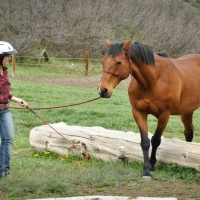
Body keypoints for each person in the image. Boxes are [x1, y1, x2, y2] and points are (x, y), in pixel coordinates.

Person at [0, 41, 28, 178]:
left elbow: (4, 93)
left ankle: (4, 173)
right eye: (8, 56)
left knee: (8, 139)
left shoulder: (4, 71)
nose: (10, 58)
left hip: (4, 110)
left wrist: (17, 100)